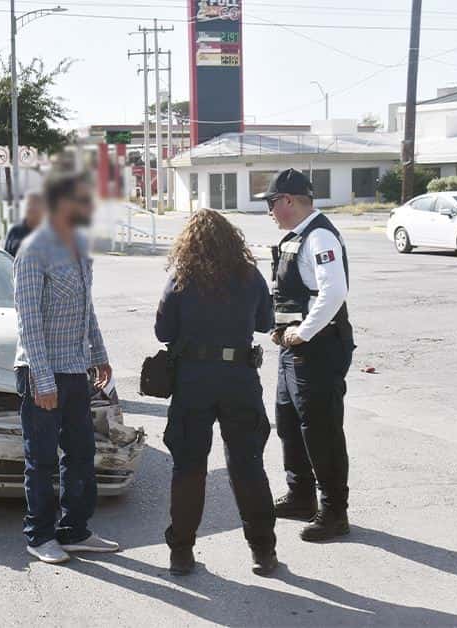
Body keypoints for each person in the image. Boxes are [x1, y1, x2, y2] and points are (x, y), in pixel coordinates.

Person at [155, 210, 278, 576]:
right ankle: (263, 552)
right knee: (248, 465)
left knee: (189, 467)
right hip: (239, 377)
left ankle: (181, 554)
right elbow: (266, 323)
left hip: (193, 381)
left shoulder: (182, 275)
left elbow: (163, 332)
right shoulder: (249, 274)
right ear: (231, 238)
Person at [13, 172, 119, 564]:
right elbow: (28, 322)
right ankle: (39, 536)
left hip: (76, 370)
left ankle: (75, 530)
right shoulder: (32, 253)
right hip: (41, 372)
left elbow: (87, 310)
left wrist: (99, 354)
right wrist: (42, 380)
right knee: (40, 459)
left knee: (80, 453)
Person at [256, 168, 355, 542]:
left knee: (321, 429)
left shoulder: (320, 236)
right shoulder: (297, 238)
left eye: (271, 203)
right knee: (288, 422)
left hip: (318, 348)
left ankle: (334, 512)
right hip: (293, 349)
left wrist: (303, 332)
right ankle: (301, 495)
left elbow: (334, 292)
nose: (269, 211)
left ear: (288, 201)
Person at [4, 192, 46, 257]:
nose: (31, 208)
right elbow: (6, 257)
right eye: (29, 205)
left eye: (35, 205)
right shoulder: (15, 231)